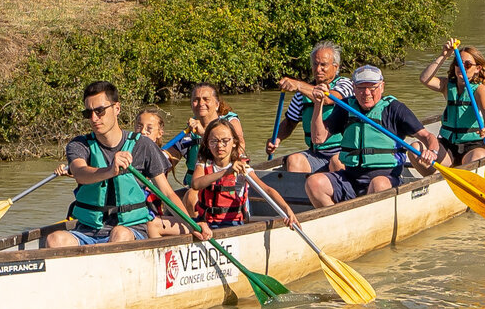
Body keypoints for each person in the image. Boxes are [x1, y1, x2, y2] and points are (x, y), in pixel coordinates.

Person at [44, 83, 203, 249]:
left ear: (117, 108)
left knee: (120, 233)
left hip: (131, 229)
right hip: (87, 231)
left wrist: (192, 225)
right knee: (55, 239)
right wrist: (110, 170)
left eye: (99, 111)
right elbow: (80, 173)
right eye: (88, 113)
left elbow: (167, 192)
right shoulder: (79, 145)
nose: (94, 118)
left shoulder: (143, 145)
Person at [306, 64, 439, 206]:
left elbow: (427, 136)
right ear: (354, 88)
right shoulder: (345, 107)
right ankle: (337, 216)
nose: (366, 93)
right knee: (314, 183)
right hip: (350, 178)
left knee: (378, 184)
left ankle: (366, 213)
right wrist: (318, 104)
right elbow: (318, 138)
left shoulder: (395, 108)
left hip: (386, 179)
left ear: (382, 87)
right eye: (361, 88)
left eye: (372, 88)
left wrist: (432, 151)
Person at [188, 118, 297, 230]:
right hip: (204, 221)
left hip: (230, 223)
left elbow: (267, 190)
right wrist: (226, 172)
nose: (219, 145)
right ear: (207, 144)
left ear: (234, 143)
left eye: (225, 141)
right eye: (214, 141)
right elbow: (195, 184)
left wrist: (287, 210)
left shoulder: (241, 167)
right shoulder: (204, 162)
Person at [270, 42, 353, 175]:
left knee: (336, 162)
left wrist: (298, 85)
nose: (318, 69)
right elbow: (290, 122)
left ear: (335, 67)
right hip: (316, 153)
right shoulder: (301, 94)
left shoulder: (346, 84)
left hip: (342, 152)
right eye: (315, 64)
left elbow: (328, 99)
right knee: (294, 160)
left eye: (323, 65)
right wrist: (277, 139)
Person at [418, 40, 485, 169]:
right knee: (416, 148)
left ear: (477, 69)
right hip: (448, 144)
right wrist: (444, 55)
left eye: (467, 65)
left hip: (472, 145)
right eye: (458, 63)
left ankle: (466, 173)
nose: (462, 67)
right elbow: (425, 79)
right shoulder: (446, 85)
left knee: (477, 157)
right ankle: (437, 177)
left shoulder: (480, 89)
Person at [167, 83, 247, 190]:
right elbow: (168, 160)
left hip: (226, 186)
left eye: (206, 99)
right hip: (196, 187)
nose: (201, 103)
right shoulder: (188, 133)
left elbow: (240, 148)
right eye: (196, 100)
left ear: (217, 104)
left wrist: (203, 133)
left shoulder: (230, 122)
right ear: (191, 105)